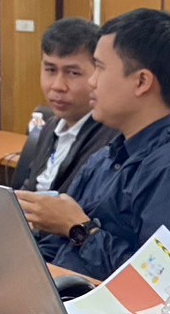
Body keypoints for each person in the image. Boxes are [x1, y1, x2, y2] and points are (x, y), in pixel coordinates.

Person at [19, 8, 170, 280]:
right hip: (62, 292)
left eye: (100, 68)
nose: (92, 82)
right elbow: (57, 247)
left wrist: (79, 229)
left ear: (141, 82)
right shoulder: (107, 156)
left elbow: (160, 282)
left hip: (99, 305)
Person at [15, 18, 116, 194]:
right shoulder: (50, 127)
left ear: (98, 74)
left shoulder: (112, 139)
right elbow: (29, 189)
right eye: (50, 70)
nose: (57, 86)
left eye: (73, 73)